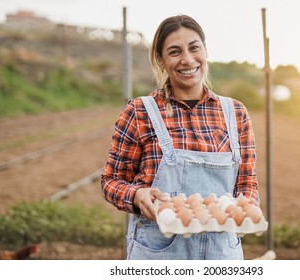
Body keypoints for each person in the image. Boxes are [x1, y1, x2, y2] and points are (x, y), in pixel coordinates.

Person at [101, 14, 260, 260]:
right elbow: (111, 181)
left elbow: (246, 182)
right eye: (174, 52)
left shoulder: (236, 113)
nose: (187, 59)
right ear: (160, 60)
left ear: (205, 50)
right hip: (159, 254)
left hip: (222, 254)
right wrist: (136, 195)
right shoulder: (140, 112)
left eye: (194, 48)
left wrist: (246, 207)